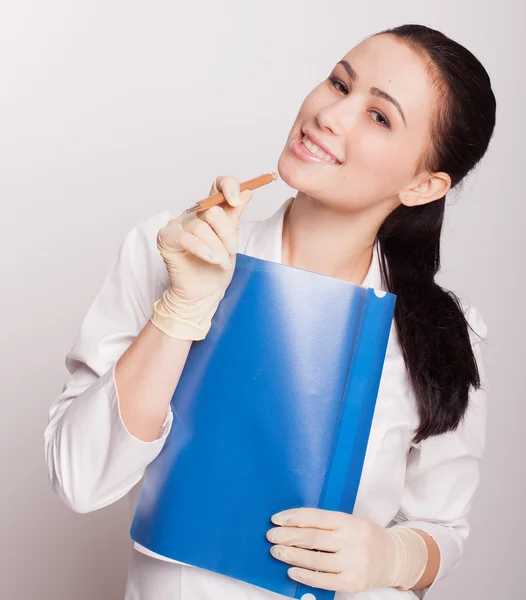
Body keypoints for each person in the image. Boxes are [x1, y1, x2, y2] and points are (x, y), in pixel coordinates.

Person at [44, 23, 496, 600]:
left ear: (423, 185)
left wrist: (392, 556)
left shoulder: (444, 335)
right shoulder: (170, 250)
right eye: (339, 83)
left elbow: (444, 527)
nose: (331, 115)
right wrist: (180, 310)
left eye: (379, 116)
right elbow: (77, 479)